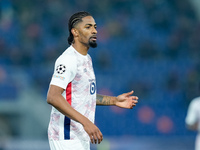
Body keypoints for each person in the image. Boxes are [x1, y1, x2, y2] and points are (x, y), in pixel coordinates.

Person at [46, 11, 139, 150]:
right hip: (66, 135)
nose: (94, 31)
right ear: (75, 32)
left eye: (95, 27)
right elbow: (53, 97)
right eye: (88, 27)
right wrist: (87, 123)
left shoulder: (86, 59)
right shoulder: (68, 59)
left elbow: (82, 96)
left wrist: (115, 101)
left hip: (80, 136)